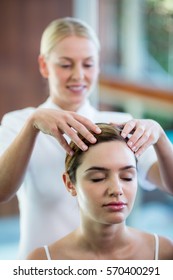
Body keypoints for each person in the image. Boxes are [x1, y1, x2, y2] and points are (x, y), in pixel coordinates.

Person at [0, 17, 173, 259]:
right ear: (44, 65)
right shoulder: (19, 123)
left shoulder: (120, 124)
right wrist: (33, 125)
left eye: (88, 64)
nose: (78, 75)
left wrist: (160, 138)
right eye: (66, 64)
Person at [27, 123, 173, 260]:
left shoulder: (162, 252)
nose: (116, 190)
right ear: (70, 184)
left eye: (127, 177)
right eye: (98, 178)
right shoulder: (43, 261)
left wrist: (160, 136)